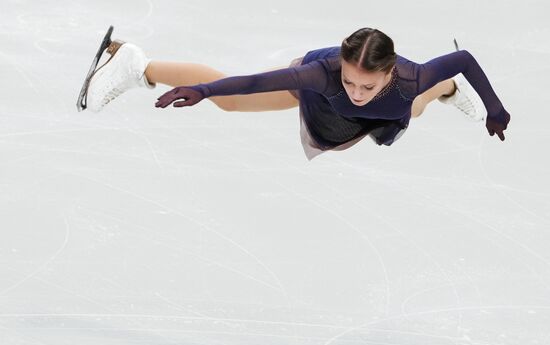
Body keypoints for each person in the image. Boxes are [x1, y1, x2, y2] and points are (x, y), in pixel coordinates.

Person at [85, 27, 511, 160]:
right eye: (350, 80)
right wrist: (202, 89)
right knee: (232, 102)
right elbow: (253, 83)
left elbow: (466, 58)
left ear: (388, 72)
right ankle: (137, 64)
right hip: (321, 101)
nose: (357, 92)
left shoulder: (411, 76)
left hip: (401, 98)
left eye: (368, 84)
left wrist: (496, 109)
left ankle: (448, 90)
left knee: (413, 108)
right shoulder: (322, 76)